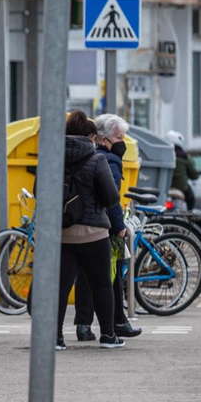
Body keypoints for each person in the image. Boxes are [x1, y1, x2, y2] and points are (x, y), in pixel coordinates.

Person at [57, 110, 123, 349]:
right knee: (101, 285)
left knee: (60, 288)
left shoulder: (53, 157)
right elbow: (111, 197)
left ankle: (56, 338)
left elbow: (38, 191)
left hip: (63, 234)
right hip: (94, 234)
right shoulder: (97, 159)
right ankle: (108, 336)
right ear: (92, 138)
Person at [74, 114, 143, 342]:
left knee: (85, 277)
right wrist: (119, 225)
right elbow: (111, 196)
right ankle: (116, 324)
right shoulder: (110, 160)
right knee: (110, 276)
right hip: (102, 226)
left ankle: (84, 325)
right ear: (103, 139)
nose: (122, 142)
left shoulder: (88, 156)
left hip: (79, 222)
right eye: (119, 138)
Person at [167, 129, 198, 210]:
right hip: (181, 188)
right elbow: (194, 174)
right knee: (191, 200)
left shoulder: (164, 154)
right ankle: (189, 215)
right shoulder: (184, 156)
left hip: (165, 187)